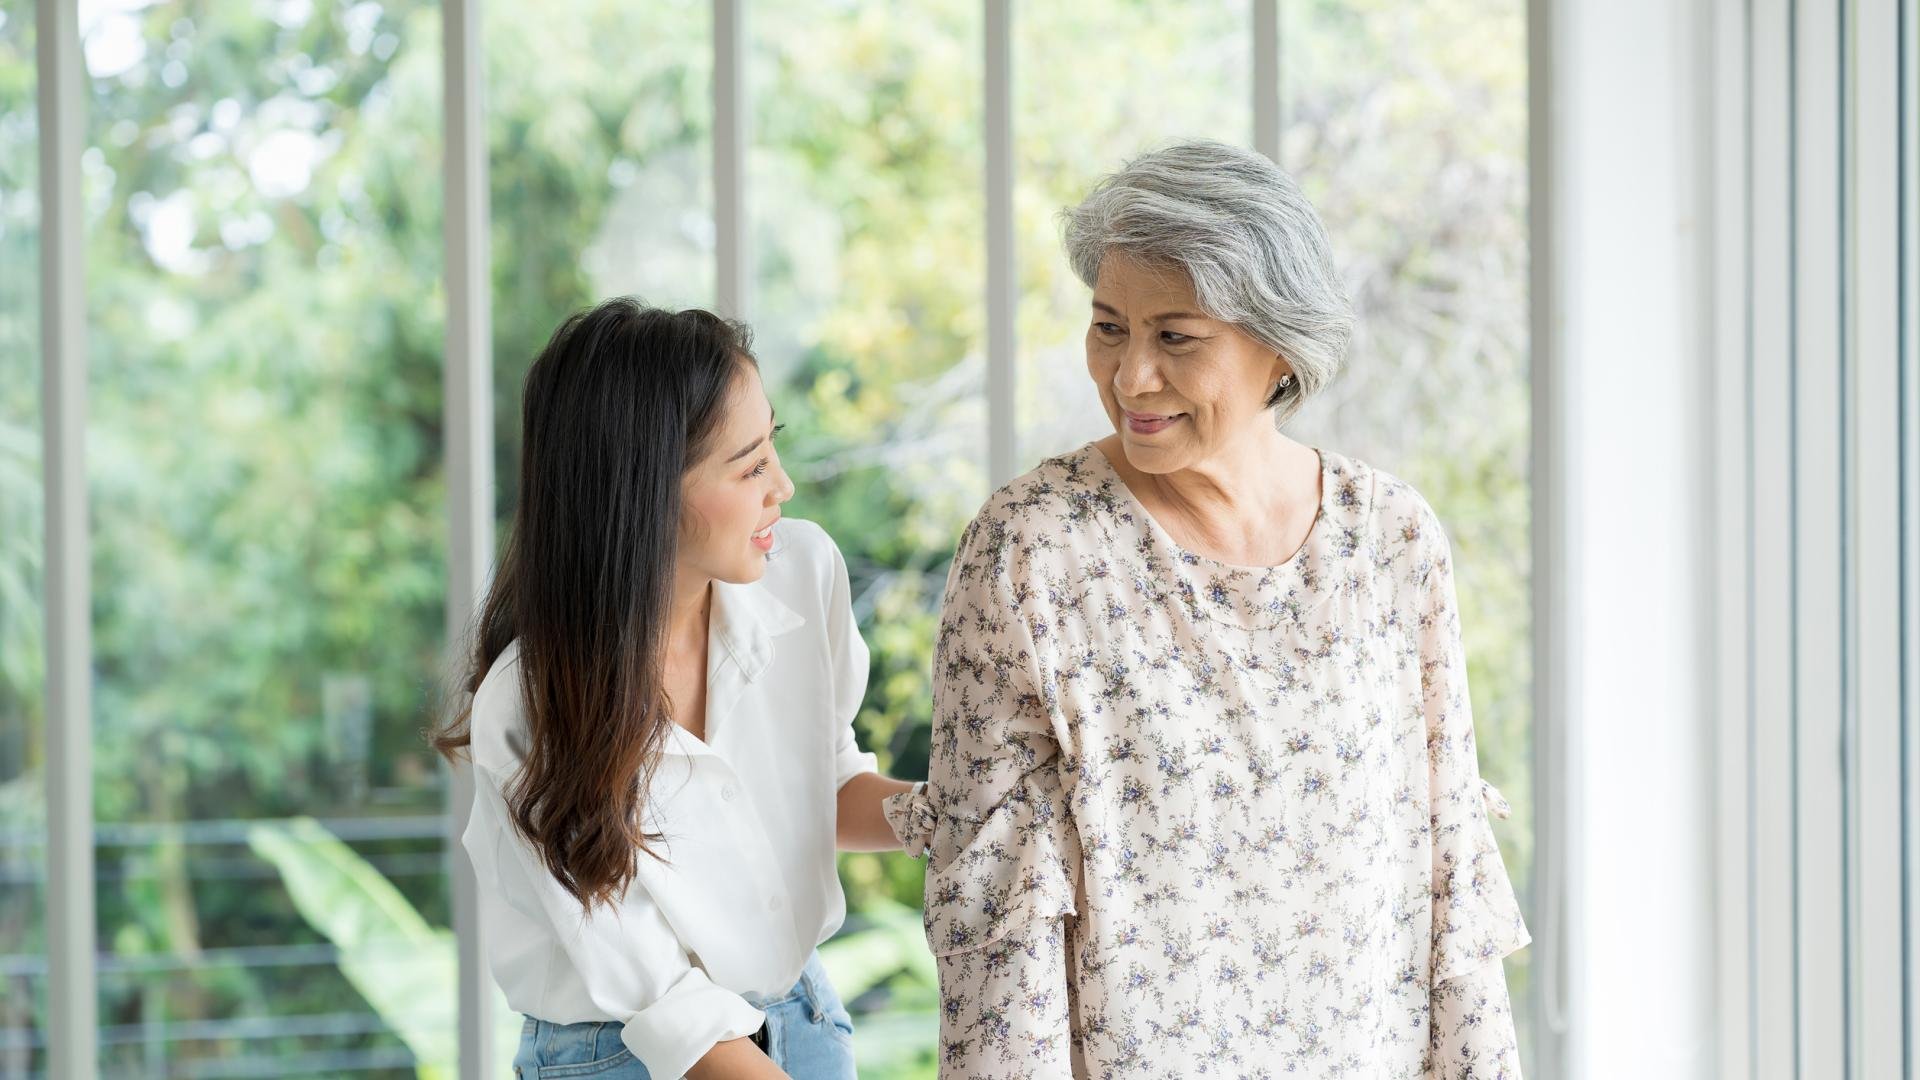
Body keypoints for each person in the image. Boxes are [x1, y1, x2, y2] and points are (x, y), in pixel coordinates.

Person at [883, 140, 1530, 1078]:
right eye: (1109, 327)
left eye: (1175, 337)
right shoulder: (1032, 550)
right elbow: (997, 928)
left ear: (1278, 345)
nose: (1130, 376)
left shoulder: (1390, 538)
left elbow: (1449, 880)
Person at [432, 300, 915, 1080]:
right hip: (621, 1053)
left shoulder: (803, 572)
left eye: (774, 449)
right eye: (750, 465)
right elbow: (667, 1008)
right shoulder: (531, 706)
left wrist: (951, 812)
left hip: (800, 1018)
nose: (782, 487)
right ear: (645, 488)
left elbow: (819, 791)